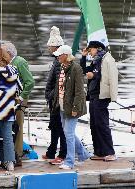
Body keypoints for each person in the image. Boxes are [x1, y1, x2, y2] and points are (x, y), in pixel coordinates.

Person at [52, 45, 90, 169]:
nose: (57, 56)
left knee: (68, 133)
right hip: (63, 106)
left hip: (73, 107)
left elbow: (79, 91)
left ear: (66, 55)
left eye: (59, 54)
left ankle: (69, 161)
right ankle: (83, 154)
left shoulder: (76, 69)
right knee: (69, 133)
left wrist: (75, 108)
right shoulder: (62, 67)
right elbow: (59, 88)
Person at [80, 41, 118, 161]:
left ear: (97, 48)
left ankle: (110, 152)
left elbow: (110, 77)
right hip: (93, 95)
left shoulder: (107, 59)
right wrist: (83, 56)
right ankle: (99, 152)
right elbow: (84, 70)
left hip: (102, 96)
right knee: (94, 125)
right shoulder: (96, 60)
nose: (90, 52)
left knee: (102, 124)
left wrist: (113, 96)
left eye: (90, 50)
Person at [1, 42, 35, 166]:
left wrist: (21, 97)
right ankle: (9, 154)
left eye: (2, 52)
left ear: (8, 53)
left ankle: (17, 155)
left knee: (18, 127)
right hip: (9, 99)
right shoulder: (7, 63)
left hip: (18, 99)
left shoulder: (19, 62)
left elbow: (30, 82)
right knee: (10, 127)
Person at [42, 26, 67, 165]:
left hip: (57, 100)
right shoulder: (56, 60)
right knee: (55, 126)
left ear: (55, 46)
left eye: (50, 46)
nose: (48, 48)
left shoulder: (59, 61)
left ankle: (62, 154)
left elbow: (59, 82)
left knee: (60, 127)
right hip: (54, 99)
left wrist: (51, 95)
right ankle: (51, 151)